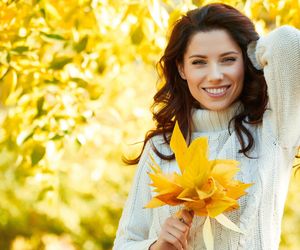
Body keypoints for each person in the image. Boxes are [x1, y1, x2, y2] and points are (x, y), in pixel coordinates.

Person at [113, 3, 300, 250]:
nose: (214, 75)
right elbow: (124, 244)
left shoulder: (273, 129)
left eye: (228, 60)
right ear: (182, 68)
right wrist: (156, 246)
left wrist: (252, 54)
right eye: (199, 62)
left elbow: (290, 43)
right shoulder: (163, 146)